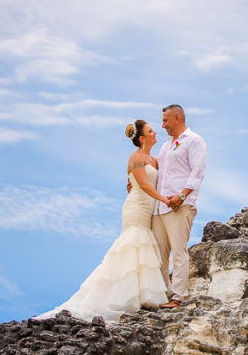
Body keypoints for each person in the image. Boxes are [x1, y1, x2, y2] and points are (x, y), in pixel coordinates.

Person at [37, 120, 171, 322]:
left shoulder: (154, 159)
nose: (155, 133)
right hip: (136, 207)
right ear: (142, 138)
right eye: (151, 131)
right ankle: (119, 297)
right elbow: (143, 184)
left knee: (143, 247)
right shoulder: (135, 157)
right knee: (133, 243)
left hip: (149, 208)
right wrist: (165, 200)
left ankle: (142, 295)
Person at [153, 103, 206, 309]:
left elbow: (197, 172)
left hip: (180, 206)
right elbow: (158, 172)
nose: (163, 125)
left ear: (177, 118)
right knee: (160, 253)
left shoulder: (194, 141)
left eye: (165, 120)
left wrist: (182, 196)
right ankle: (163, 294)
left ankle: (178, 296)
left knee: (178, 250)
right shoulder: (165, 146)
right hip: (161, 206)